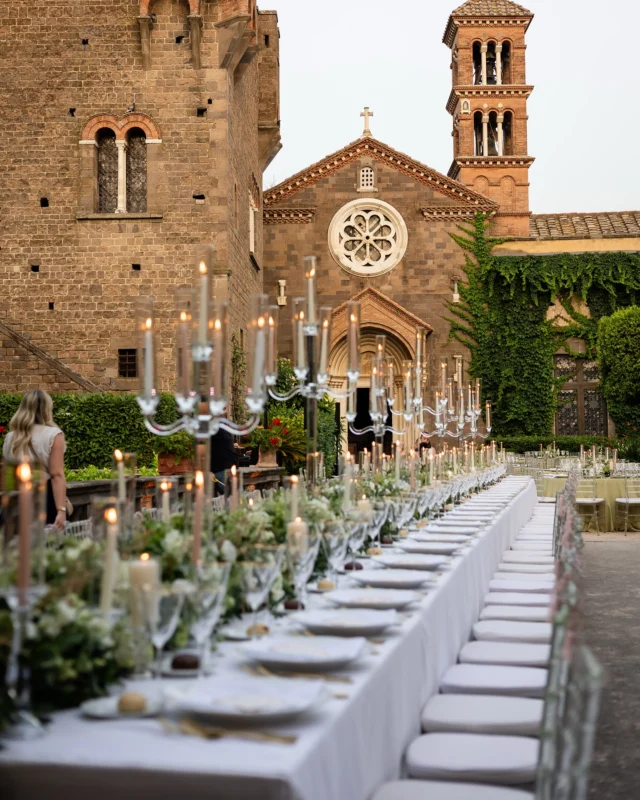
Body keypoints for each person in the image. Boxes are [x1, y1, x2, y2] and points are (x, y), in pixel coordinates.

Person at [2, 390, 68, 530]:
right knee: (47, 546)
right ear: (46, 409)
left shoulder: (10, 437)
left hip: (17, 498)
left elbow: (6, 474)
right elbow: (56, 474)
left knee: (16, 547)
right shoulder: (54, 435)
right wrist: (61, 510)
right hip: (45, 498)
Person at [210, 427, 239, 496]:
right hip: (230, 467)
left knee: (230, 499)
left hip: (221, 469)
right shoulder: (225, 429)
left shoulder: (213, 429)